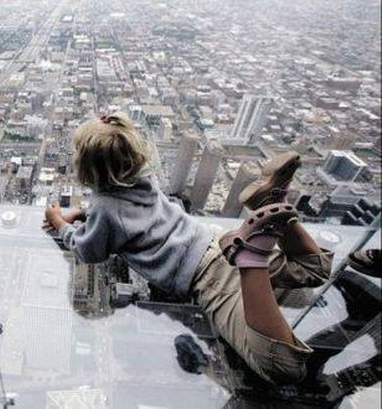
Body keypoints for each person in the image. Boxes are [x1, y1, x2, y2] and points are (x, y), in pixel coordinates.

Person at [43, 113, 333, 384]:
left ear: (87, 168)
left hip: (210, 279)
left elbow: (88, 250)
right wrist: (85, 213)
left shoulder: (105, 209)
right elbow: (118, 213)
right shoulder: (144, 179)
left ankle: (252, 259)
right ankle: (272, 200)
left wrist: (60, 224)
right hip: (214, 240)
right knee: (310, 279)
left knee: (284, 367)